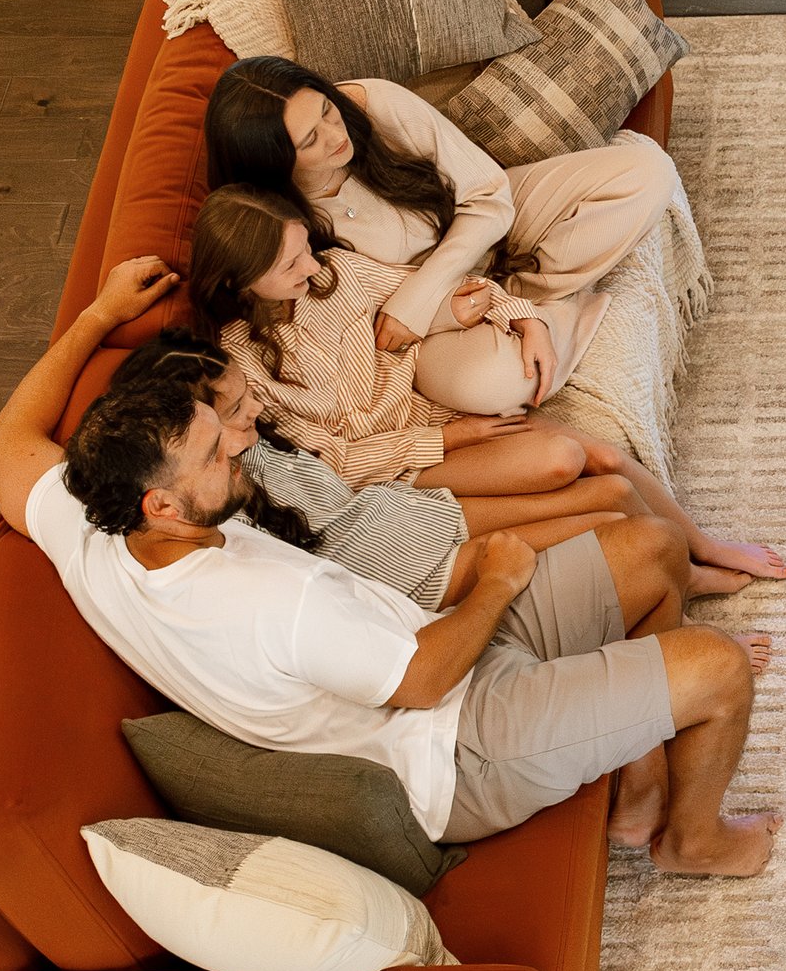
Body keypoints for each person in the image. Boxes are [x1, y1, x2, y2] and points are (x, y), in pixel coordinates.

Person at [0, 254, 782, 874]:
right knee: (717, 668)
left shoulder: (92, 525)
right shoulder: (266, 599)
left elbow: (5, 441)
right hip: (457, 748)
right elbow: (426, 681)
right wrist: (499, 578)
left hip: (439, 646)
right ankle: (695, 843)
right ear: (161, 503)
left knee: (652, 547)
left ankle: (637, 774)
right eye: (214, 447)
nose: (241, 443)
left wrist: (96, 317)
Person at [202, 55, 675, 427]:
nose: (334, 133)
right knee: (498, 383)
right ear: (272, 160)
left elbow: (489, 198)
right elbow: (359, 323)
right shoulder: (272, 221)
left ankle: (526, 306)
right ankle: (541, 306)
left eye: (327, 108)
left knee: (647, 173)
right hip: (428, 327)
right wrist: (436, 306)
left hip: (483, 233)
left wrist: (428, 292)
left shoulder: (378, 105)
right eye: (309, 140)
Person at [115, 330, 639, 607]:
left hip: (412, 516)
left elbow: (346, 481)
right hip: (417, 571)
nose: (253, 409)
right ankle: (675, 583)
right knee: (616, 524)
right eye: (232, 411)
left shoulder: (254, 445)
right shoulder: (215, 499)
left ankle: (685, 570)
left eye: (248, 394)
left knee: (612, 490)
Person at [187, 180, 622, 503]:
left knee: (608, 460)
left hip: (436, 409)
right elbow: (332, 460)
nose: (309, 265)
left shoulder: (338, 271)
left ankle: (693, 557)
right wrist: (449, 439)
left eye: (305, 248)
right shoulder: (241, 367)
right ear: (235, 280)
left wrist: (527, 321)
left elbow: (441, 288)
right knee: (563, 461)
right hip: (400, 464)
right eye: (290, 264)